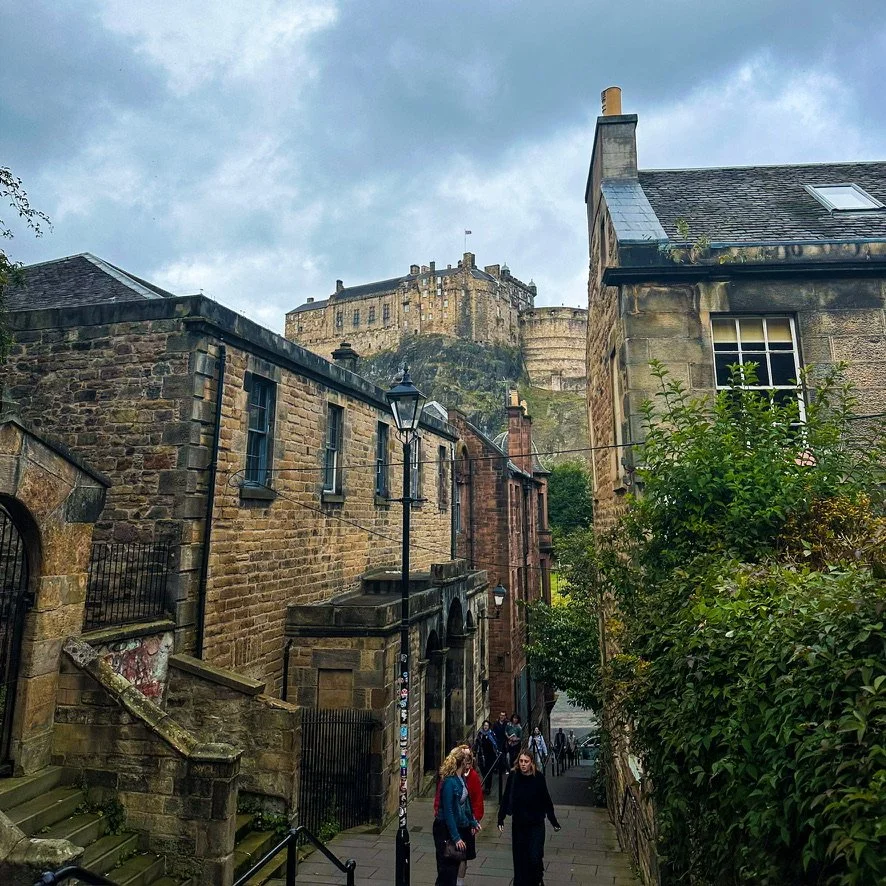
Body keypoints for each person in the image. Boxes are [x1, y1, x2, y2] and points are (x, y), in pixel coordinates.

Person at [498, 750, 561, 886]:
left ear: (531, 763)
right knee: (520, 858)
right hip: (519, 824)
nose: (523, 764)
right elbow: (506, 797)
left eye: (526, 762)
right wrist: (501, 817)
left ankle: (537, 878)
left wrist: (553, 820)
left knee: (535, 856)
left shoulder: (538, 777)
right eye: (521, 761)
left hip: (536, 823)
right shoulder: (514, 776)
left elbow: (546, 799)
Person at [434, 748, 481, 886]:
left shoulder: (461, 779)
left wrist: (472, 821)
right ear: (461, 761)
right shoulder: (450, 782)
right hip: (444, 828)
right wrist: (456, 837)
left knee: (453, 868)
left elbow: (465, 806)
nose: (469, 758)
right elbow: (448, 811)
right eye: (466, 756)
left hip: (456, 825)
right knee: (446, 870)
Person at [474, 720, 499, 793]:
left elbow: (494, 744)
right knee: (483, 771)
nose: (485, 727)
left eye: (487, 725)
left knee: (489, 772)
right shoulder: (480, 734)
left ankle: (488, 787)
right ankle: (485, 784)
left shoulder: (491, 734)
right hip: (482, 756)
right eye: (484, 725)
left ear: (489, 726)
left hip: (490, 756)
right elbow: (477, 744)